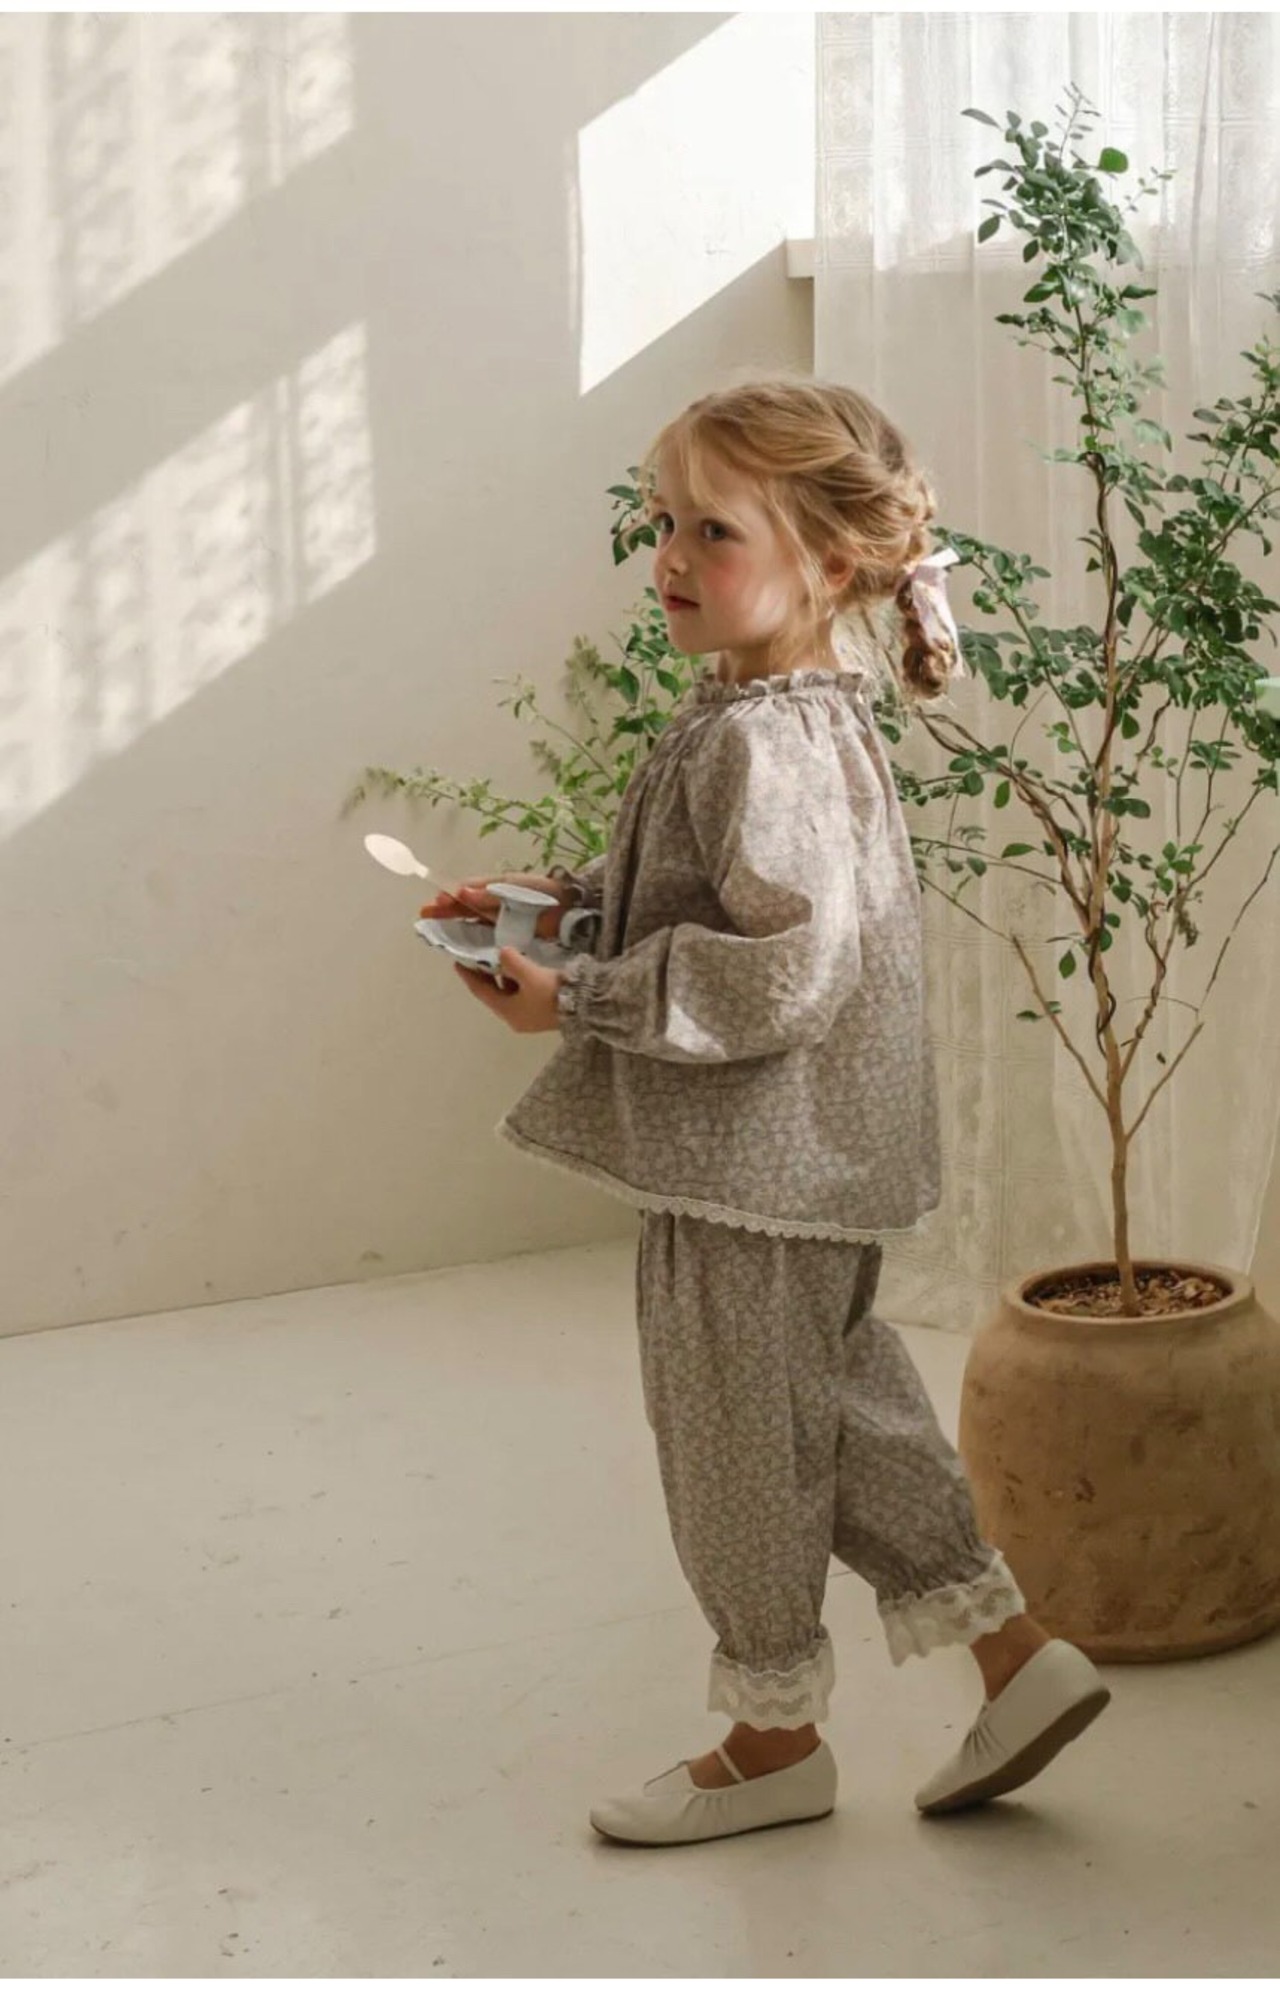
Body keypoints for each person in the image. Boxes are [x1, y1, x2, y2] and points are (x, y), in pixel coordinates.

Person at [420, 374, 1110, 1848]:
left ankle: (774, 1739)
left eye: (712, 531)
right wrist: (559, 910)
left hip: (752, 1168)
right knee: (840, 1413)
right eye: (661, 523)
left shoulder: (756, 739)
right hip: (809, 1163)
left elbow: (787, 965)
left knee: (733, 1439)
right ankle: (1017, 1657)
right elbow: (714, 899)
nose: (668, 557)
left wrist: (581, 1001)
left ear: (830, 560)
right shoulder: (786, 715)